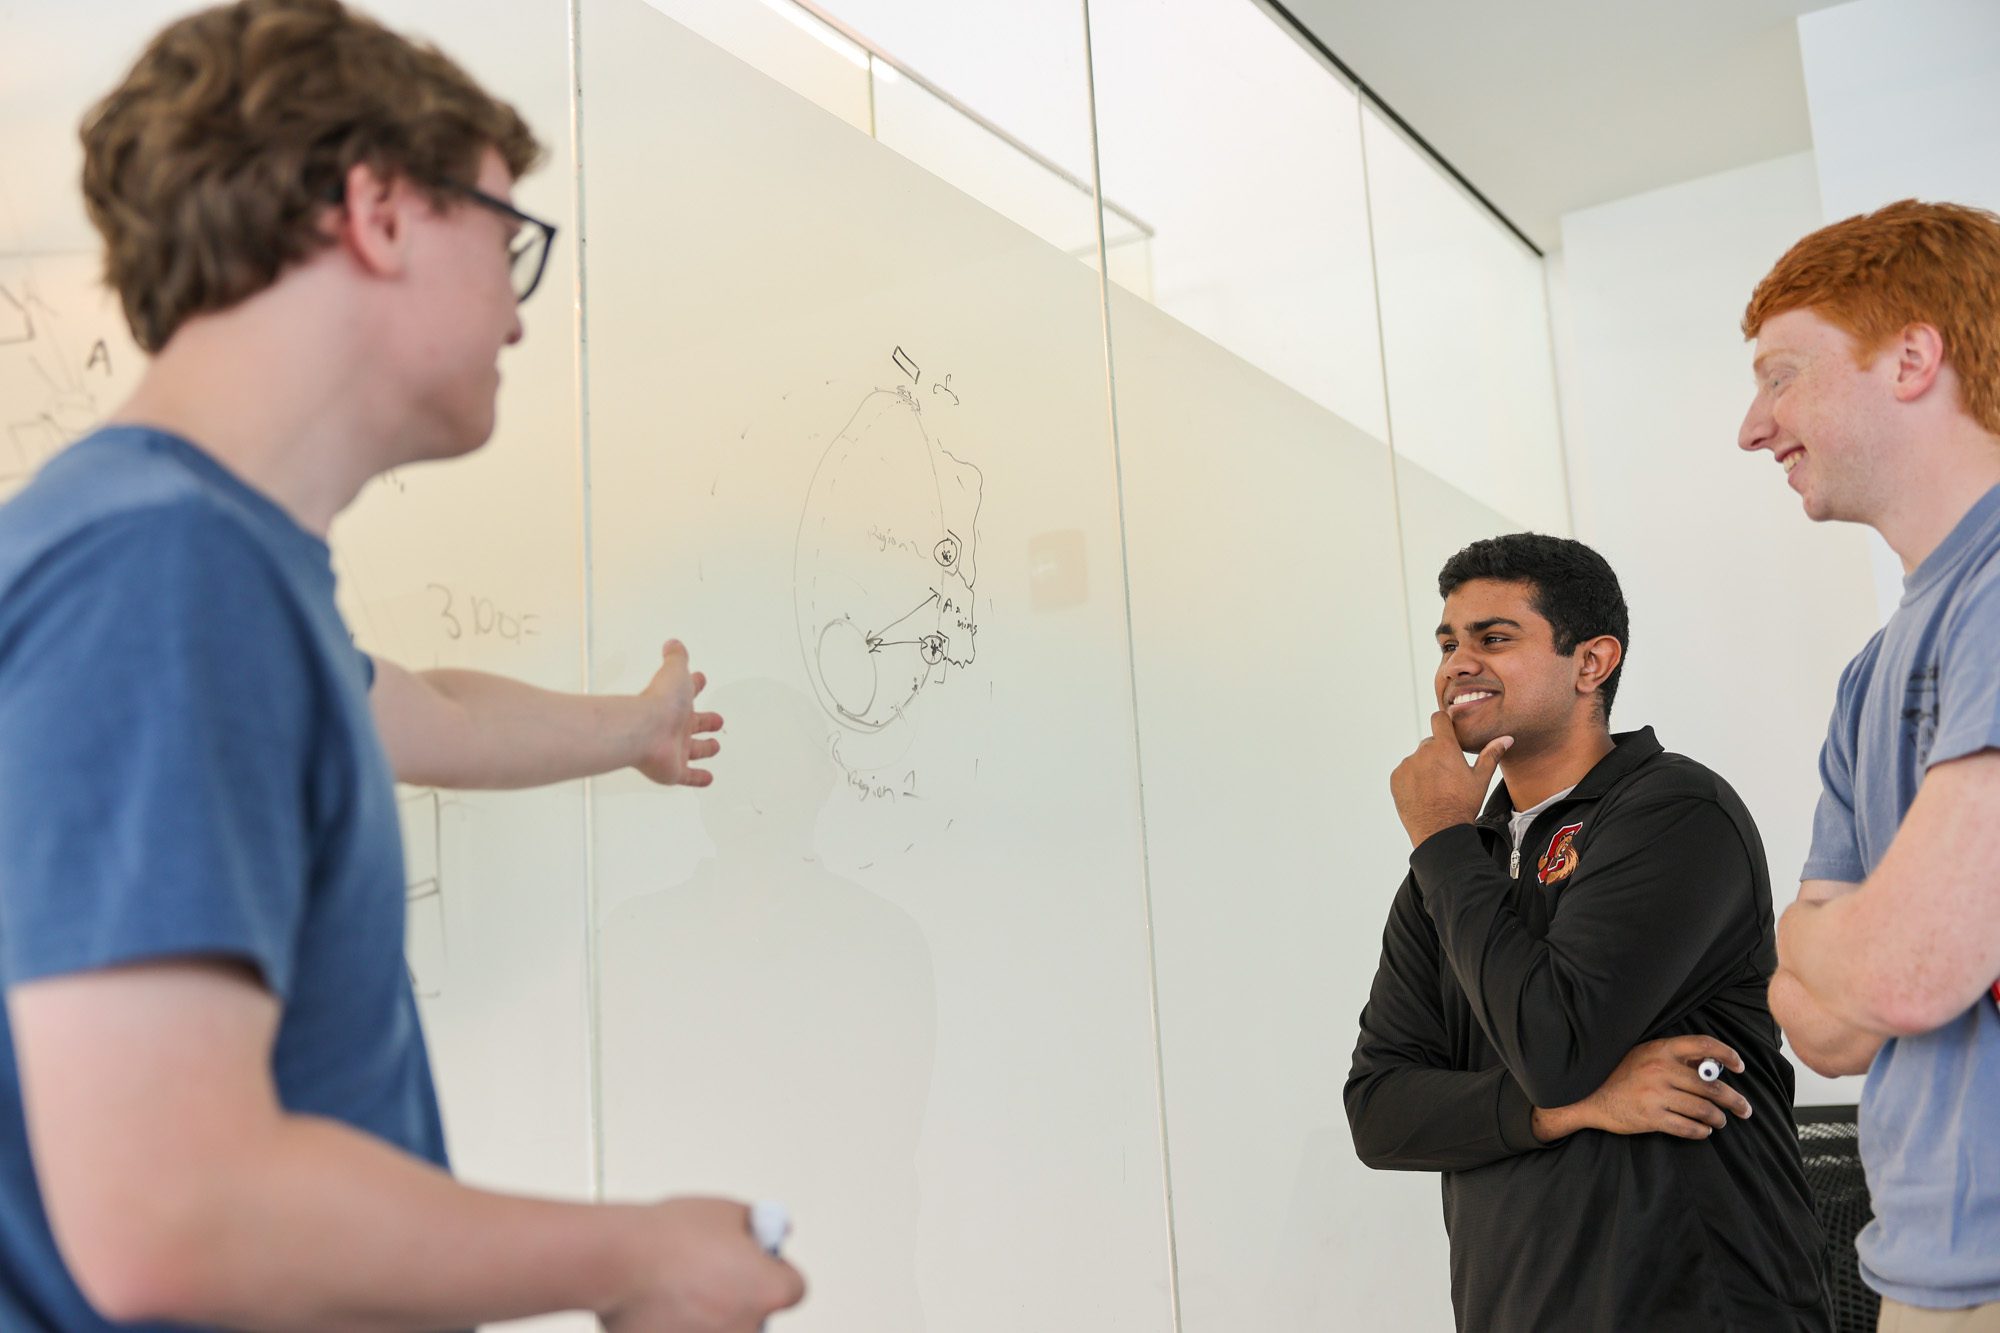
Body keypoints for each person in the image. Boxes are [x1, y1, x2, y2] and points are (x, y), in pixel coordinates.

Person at [0, 1, 805, 1328]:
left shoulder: (200, 566)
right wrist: (638, 1254)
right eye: (507, 244)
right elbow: (171, 1212)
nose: (519, 317)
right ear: (380, 211)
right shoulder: (162, 580)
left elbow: (423, 710)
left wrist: (641, 725)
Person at [1345, 533, 1828, 1330]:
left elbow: (1554, 1044)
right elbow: (1379, 1110)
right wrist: (1570, 1108)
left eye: (1494, 637)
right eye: (1447, 642)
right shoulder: (1457, 864)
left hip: (1699, 1309)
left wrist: (1438, 838)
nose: (1456, 663)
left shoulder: (1675, 812)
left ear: (1592, 662)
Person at [1742, 199, 2000, 1327]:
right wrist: (1853, 950)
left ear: (1908, 357)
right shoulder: (1868, 674)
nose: (1754, 426)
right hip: (1923, 1271)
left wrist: (1816, 936)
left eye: (1781, 374)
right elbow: (1823, 1030)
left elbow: (1898, 972)